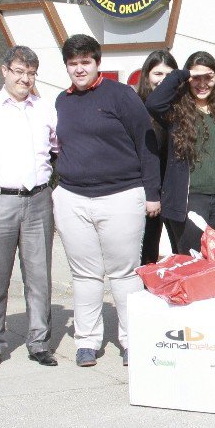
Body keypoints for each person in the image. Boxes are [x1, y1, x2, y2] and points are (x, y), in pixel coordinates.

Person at [53, 34, 160, 367]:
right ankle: (87, 341)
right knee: (84, 275)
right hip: (73, 198)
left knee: (124, 274)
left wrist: (152, 193)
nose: (79, 68)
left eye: (85, 62)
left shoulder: (121, 95)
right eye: (73, 63)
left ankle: (131, 340)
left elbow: (147, 144)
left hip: (121, 196)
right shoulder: (61, 101)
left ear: (97, 63)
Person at [0, 46, 59, 369]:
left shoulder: (45, 109)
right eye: (19, 71)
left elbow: (55, 148)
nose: (24, 78)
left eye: (31, 73)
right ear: (5, 71)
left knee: (39, 276)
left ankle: (40, 342)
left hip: (38, 201)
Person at [145, 51, 215, 256]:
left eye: (208, 78)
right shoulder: (176, 111)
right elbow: (153, 102)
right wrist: (183, 74)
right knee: (193, 261)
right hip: (191, 198)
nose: (202, 83)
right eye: (196, 78)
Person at [134, 49, 179, 264]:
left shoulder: (180, 109)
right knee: (142, 249)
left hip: (171, 190)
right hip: (144, 191)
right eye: (157, 74)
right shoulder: (136, 107)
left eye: (168, 75)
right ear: (147, 76)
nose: (163, 80)